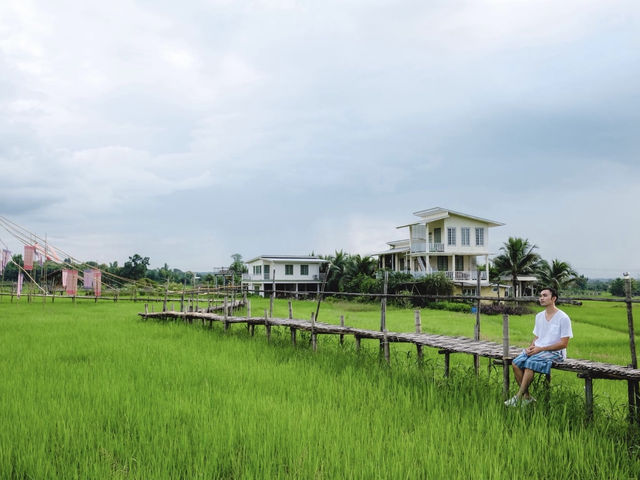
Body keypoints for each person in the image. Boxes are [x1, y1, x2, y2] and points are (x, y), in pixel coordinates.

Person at [505, 287, 573, 407]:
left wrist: (540, 349)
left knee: (530, 363)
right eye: (540, 295)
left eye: (545, 295)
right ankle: (527, 397)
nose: (541, 298)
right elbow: (537, 337)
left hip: (556, 352)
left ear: (553, 298)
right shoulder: (539, 316)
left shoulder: (563, 318)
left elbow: (564, 343)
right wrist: (530, 348)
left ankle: (518, 397)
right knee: (516, 362)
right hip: (538, 350)